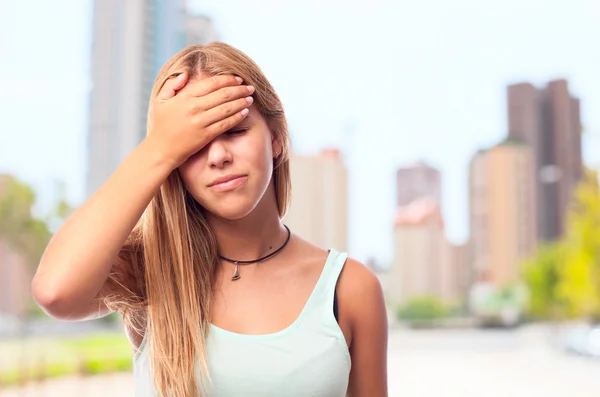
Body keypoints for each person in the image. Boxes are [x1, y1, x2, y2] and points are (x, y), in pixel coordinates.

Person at [32, 42, 388, 397]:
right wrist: (159, 147)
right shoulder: (149, 272)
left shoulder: (350, 290)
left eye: (235, 131)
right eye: (193, 144)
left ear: (276, 138)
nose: (218, 156)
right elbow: (55, 293)